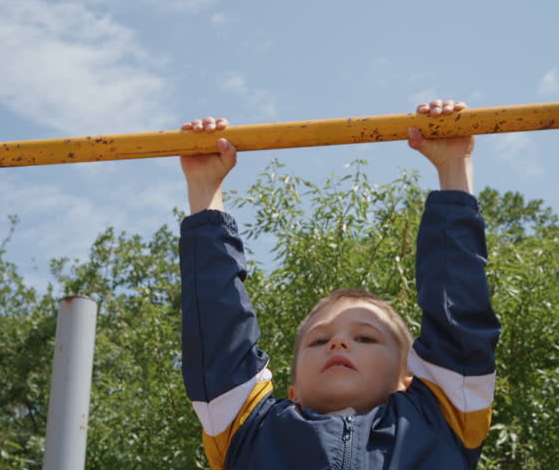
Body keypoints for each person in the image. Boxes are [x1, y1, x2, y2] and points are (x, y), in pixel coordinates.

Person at [178, 100, 501, 469]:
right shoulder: (253, 430)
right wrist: (205, 192)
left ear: (408, 378)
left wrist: (454, 167)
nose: (338, 342)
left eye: (365, 337)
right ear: (293, 388)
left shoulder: (440, 417)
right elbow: (218, 333)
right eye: (318, 340)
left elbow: (458, 313)